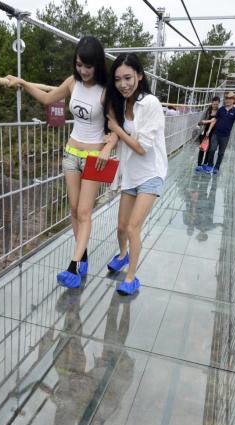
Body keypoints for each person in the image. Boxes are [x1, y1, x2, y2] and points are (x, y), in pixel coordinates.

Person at [5, 36, 116, 289]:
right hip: (71, 153)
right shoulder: (72, 83)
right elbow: (47, 99)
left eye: (88, 66)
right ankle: (83, 253)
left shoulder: (106, 91)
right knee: (74, 209)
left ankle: (74, 266)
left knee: (85, 211)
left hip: (93, 158)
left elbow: (116, 126)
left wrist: (109, 146)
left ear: (98, 64)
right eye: (79, 64)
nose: (83, 71)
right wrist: (23, 83)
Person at [102, 53, 167, 296]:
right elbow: (119, 131)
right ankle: (122, 255)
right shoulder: (120, 102)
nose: (123, 84)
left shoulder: (150, 103)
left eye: (128, 77)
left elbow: (141, 147)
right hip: (130, 173)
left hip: (151, 173)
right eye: (118, 79)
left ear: (139, 76)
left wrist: (116, 128)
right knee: (120, 226)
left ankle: (131, 277)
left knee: (132, 227)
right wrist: (111, 140)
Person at [201, 91, 235, 174]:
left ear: (233, 100)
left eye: (230, 99)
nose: (227, 100)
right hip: (216, 134)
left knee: (221, 153)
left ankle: (216, 167)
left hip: (225, 136)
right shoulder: (221, 109)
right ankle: (210, 165)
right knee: (212, 149)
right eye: (226, 98)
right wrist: (209, 130)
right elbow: (214, 120)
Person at [195, 96, 219, 171]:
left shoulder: (219, 112)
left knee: (209, 149)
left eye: (217, 104)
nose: (215, 106)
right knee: (202, 148)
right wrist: (205, 122)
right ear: (211, 103)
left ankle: (205, 164)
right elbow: (201, 121)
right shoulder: (207, 111)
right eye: (214, 104)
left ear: (219, 104)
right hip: (204, 132)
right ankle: (199, 164)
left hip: (214, 133)